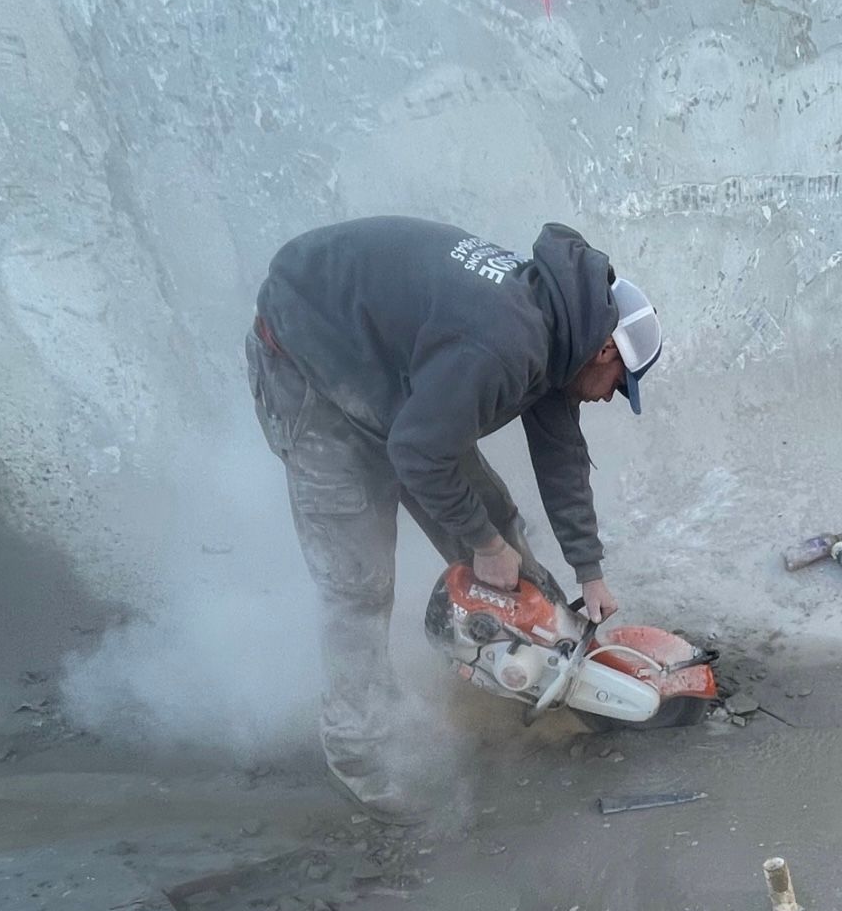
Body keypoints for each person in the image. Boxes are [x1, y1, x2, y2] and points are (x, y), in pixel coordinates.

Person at [247, 217, 662, 819]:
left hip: (394, 386)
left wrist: (588, 570)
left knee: (499, 527)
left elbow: (561, 456)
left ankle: (543, 668)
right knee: (359, 586)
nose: (608, 397)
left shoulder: (559, 329)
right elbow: (417, 451)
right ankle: (363, 758)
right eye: (618, 384)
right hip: (308, 369)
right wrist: (482, 543)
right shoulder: (503, 343)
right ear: (604, 349)